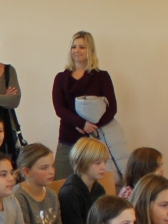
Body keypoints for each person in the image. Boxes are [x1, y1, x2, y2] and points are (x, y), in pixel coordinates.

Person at [50, 32, 117, 180]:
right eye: (73, 47)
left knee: (94, 184)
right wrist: (81, 123)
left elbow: (112, 109)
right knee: (60, 182)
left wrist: (91, 126)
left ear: (90, 50)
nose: (76, 50)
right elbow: (59, 108)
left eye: (82, 47)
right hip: (67, 140)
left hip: (93, 141)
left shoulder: (102, 77)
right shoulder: (61, 78)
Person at [13, 144, 64, 224]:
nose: (51, 171)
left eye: (53, 166)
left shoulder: (52, 195)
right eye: (44, 168)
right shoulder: (19, 197)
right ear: (27, 171)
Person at [56, 138, 109, 224]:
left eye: (105, 162)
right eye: (98, 163)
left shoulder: (99, 189)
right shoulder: (70, 193)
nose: (103, 167)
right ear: (83, 162)